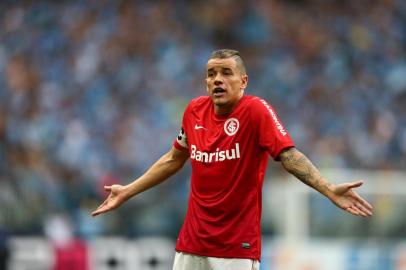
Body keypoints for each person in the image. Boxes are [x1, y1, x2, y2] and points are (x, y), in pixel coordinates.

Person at [92, 49, 373, 270]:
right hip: (191, 244)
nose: (218, 79)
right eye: (212, 74)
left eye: (226, 73)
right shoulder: (193, 111)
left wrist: (327, 188)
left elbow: (288, 155)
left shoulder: (255, 111)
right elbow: (173, 159)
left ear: (243, 81)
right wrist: (128, 190)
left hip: (236, 248)